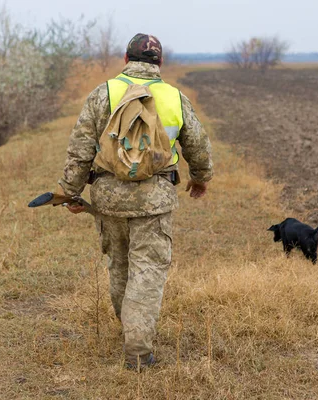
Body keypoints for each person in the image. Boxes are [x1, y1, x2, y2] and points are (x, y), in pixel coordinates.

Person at [58, 33, 213, 370]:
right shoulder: (174, 97)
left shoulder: (103, 94)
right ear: (159, 63)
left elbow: (80, 149)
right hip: (154, 201)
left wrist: (69, 192)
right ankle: (139, 352)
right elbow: (198, 146)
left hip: (108, 199)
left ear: (125, 60)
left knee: (120, 266)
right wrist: (200, 178)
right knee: (148, 271)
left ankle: (128, 328)